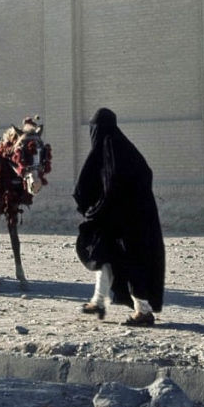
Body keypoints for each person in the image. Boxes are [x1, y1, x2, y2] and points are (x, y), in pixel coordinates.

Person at [73, 107, 165, 326]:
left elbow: (112, 185)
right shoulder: (125, 149)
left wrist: (98, 208)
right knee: (103, 253)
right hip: (128, 220)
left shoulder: (111, 151)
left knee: (131, 264)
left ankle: (143, 312)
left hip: (128, 224)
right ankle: (98, 300)